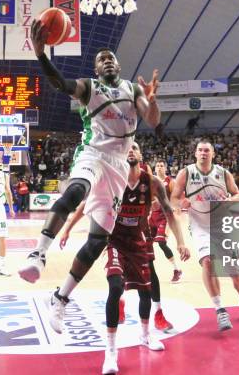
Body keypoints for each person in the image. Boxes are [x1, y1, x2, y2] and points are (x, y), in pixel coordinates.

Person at [17, 19, 161, 334]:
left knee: (97, 241)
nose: (107, 61)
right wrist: (41, 55)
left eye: (111, 58)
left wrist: (151, 100)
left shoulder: (133, 89)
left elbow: (151, 119)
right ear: (96, 70)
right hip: (93, 154)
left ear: (119, 66)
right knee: (74, 192)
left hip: (119, 167)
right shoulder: (90, 87)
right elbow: (61, 84)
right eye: (101, 60)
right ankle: (38, 253)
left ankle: (60, 298)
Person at [58, 143, 189, 373]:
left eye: (135, 147)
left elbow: (169, 211)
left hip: (139, 239)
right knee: (116, 286)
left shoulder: (153, 183)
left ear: (140, 155)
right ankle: (111, 352)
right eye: (126, 147)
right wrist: (68, 227)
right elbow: (86, 204)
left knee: (145, 291)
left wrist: (180, 241)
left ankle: (145, 335)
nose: (130, 150)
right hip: (115, 239)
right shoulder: (111, 178)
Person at [171, 140, 239, 331]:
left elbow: (237, 194)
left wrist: (229, 200)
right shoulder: (185, 173)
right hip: (200, 225)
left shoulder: (223, 173)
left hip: (222, 226)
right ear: (195, 153)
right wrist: (181, 203)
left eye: (207, 150)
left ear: (213, 154)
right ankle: (220, 309)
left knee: (234, 268)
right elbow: (174, 199)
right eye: (200, 150)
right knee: (208, 262)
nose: (203, 153)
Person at [149, 160, 183, 283]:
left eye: (161, 166)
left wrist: (175, 210)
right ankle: (143, 270)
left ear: (165, 168)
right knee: (145, 242)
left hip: (165, 216)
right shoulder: (151, 181)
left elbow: (176, 197)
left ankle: (177, 270)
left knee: (162, 242)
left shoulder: (170, 182)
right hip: (153, 216)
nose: (159, 167)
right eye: (157, 165)